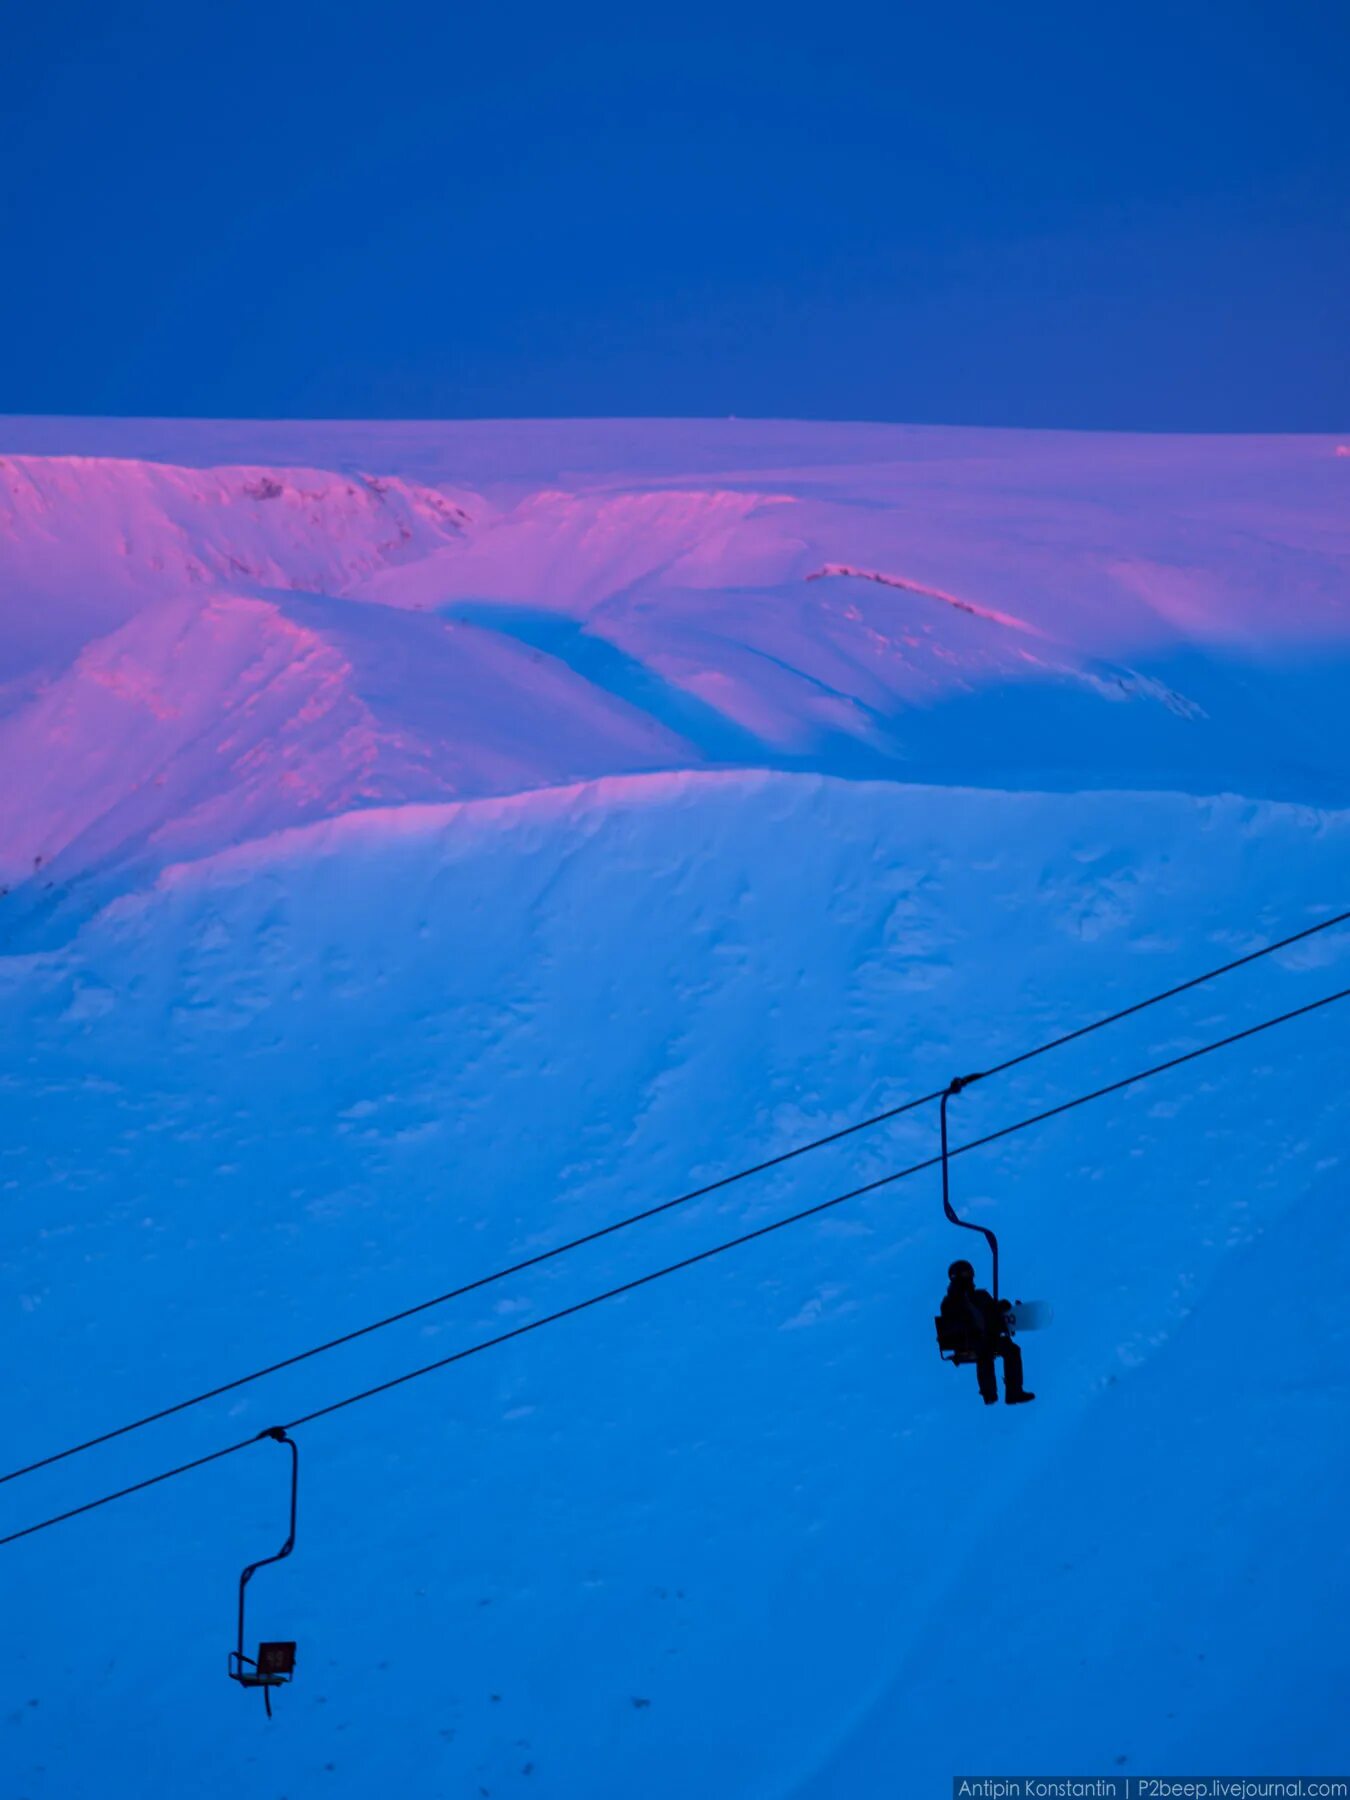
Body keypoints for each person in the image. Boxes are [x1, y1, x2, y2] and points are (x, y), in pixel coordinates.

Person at [940, 1259, 1035, 1405]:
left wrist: (1000, 1308)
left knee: (993, 1349)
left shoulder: (950, 1302)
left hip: (972, 1344)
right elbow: (985, 1318)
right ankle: (1013, 1392)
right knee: (1008, 1350)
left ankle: (989, 1393)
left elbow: (988, 1315)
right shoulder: (974, 1297)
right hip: (980, 1344)